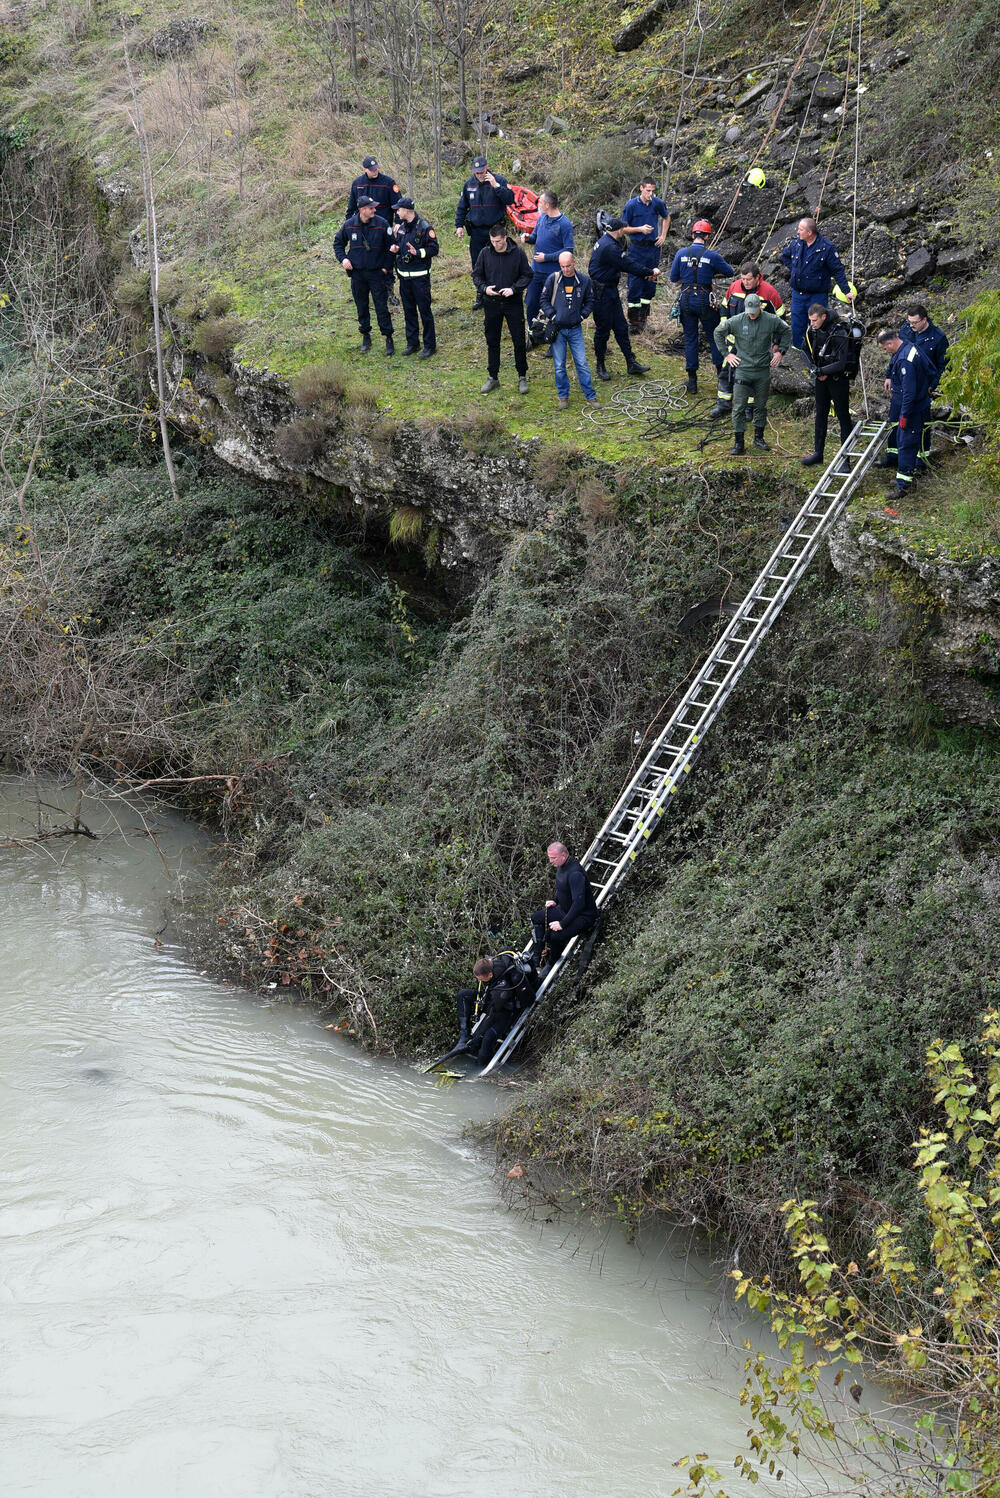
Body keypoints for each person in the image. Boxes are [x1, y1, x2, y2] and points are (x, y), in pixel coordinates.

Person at [712, 292, 791, 454]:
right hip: (743, 370)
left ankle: (759, 438)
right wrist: (727, 354)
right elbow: (718, 333)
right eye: (750, 310)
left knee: (760, 406)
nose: (752, 314)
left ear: (760, 307)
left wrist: (780, 351)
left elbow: (787, 331)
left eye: (755, 310)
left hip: (762, 371)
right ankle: (739, 443)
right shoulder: (737, 321)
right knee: (739, 407)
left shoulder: (770, 320)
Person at [710, 262, 784, 419]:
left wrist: (777, 342)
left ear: (758, 278)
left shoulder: (769, 292)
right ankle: (723, 404)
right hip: (733, 341)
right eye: (743, 278)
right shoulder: (734, 287)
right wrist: (724, 328)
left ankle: (749, 408)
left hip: (755, 344)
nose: (745, 282)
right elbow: (724, 307)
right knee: (727, 371)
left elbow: (780, 317)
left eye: (749, 279)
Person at [668, 219, 735, 395]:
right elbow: (729, 271)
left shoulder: (681, 253)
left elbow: (673, 277)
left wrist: (688, 278)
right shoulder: (712, 255)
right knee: (714, 337)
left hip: (687, 298)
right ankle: (721, 378)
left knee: (690, 338)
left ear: (692, 235)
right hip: (705, 298)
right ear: (706, 236)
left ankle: (692, 382)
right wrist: (709, 272)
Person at [587, 217, 655, 381]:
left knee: (621, 327)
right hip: (601, 293)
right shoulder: (610, 247)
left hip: (610, 290)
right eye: (623, 229)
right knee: (603, 330)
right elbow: (628, 265)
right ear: (619, 230)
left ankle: (631, 363)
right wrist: (649, 272)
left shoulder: (606, 240)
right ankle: (600, 365)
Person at [472, 222, 532, 394]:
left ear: (505, 238)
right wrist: (484, 289)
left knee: (519, 340)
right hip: (491, 303)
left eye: (498, 241)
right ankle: (493, 377)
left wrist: (513, 289)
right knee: (492, 340)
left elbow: (527, 274)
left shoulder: (518, 253)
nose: (495, 244)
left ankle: (522, 376)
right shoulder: (485, 253)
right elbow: (476, 275)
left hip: (513, 303)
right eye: (492, 241)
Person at [333, 196, 394, 355]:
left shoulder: (382, 224)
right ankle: (366, 336)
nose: (374, 210)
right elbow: (338, 243)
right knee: (361, 306)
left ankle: (388, 337)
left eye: (374, 207)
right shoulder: (349, 225)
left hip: (377, 273)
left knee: (381, 306)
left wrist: (386, 269)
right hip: (358, 275)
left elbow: (391, 248)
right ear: (362, 210)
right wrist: (344, 259)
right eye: (371, 208)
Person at [781, 216, 854, 349]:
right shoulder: (796, 243)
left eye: (800, 229)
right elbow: (784, 255)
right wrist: (795, 271)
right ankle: (799, 353)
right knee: (797, 324)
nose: (797, 232)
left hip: (817, 295)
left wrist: (846, 291)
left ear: (809, 233)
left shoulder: (827, 248)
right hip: (798, 294)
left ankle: (817, 354)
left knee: (818, 326)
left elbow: (837, 270)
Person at [876, 327, 933, 497]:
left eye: (885, 348)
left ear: (891, 343)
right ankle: (919, 466)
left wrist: (904, 415)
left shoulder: (905, 362)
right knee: (922, 436)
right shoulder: (908, 346)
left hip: (912, 408)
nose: (885, 352)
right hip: (921, 403)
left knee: (906, 443)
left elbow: (909, 392)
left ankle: (903, 485)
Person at [540, 250, 598, 410]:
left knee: (582, 364)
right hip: (557, 330)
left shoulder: (584, 281)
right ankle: (563, 396)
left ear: (574, 263)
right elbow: (543, 300)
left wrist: (582, 316)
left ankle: (590, 396)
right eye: (562, 266)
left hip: (575, 329)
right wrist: (552, 316)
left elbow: (590, 301)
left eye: (568, 266)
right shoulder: (553, 279)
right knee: (559, 365)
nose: (566, 270)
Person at [455, 952, 537, 1064]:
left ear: (490, 975)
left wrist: (476, 1038)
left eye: (482, 980)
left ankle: (478, 1069)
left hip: (505, 1012)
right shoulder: (491, 965)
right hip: (491, 1001)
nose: (480, 982)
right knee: (463, 994)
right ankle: (464, 1035)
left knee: (487, 1039)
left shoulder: (502, 989)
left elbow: (491, 1015)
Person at [800, 302, 854, 470]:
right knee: (820, 414)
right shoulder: (813, 331)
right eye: (810, 320)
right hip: (820, 378)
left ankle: (846, 459)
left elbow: (841, 362)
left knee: (843, 417)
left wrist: (822, 371)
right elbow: (804, 351)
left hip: (838, 379)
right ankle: (818, 453)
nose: (812, 324)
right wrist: (813, 369)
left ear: (823, 317)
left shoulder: (839, 332)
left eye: (815, 320)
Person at [456, 156, 515, 306]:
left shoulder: (499, 180)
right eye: (477, 173)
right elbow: (462, 207)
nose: (480, 175)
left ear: (487, 168)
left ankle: (499, 292)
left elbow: (510, 199)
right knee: (477, 264)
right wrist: (459, 226)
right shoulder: (469, 184)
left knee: (497, 262)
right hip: (476, 231)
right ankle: (481, 293)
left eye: (482, 172)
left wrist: (496, 185)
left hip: (495, 230)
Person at [530, 842, 598, 971]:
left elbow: (579, 904)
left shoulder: (574, 873)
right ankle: (536, 956)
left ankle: (550, 964)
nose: (551, 861)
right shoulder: (561, 866)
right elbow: (562, 888)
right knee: (536, 918)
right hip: (564, 909)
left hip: (583, 916)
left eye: (553, 858)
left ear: (563, 855)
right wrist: (555, 900)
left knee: (556, 936)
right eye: (549, 857)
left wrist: (562, 924)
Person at [347, 156, 402, 305]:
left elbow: (398, 205)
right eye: (371, 169)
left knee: (387, 258)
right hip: (362, 229)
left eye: (376, 168)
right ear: (364, 169)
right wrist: (348, 226)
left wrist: (398, 222)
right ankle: (365, 289)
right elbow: (351, 208)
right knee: (364, 260)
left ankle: (389, 290)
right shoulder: (357, 184)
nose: (374, 171)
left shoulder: (388, 183)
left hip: (382, 229)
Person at [620, 177, 672, 333]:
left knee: (650, 284)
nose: (650, 193)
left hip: (653, 250)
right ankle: (633, 323)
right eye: (648, 190)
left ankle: (643, 321)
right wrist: (640, 229)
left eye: (653, 190)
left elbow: (667, 217)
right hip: (636, 249)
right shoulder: (631, 205)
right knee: (635, 284)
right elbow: (623, 228)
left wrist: (663, 235)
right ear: (641, 188)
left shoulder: (657, 203)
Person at [390, 196, 438, 358]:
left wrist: (418, 253)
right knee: (408, 311)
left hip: (420, 278)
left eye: (399, 209)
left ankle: (430, 346)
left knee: (424, 312)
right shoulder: (402, 227)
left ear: (407, 210)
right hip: (404, 278)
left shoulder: (424, 227)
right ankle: (413, 343)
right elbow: (400, 244)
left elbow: (434, 249)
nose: (397, 212)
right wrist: (397, 248)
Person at [522, 190, 574, 332]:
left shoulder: (564, 224)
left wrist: (547, 257)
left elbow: (569, 250)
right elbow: (534, 237)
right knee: (531, 302)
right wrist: (528, 238)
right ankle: (534, 334)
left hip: (553, 273)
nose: (538, 205)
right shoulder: (542, 218)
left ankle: (553, 337)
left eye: (540, 202)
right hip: (536, 271)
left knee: (553, 305)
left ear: (548, 204)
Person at [900, 304, 948, 392]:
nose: (911, 325)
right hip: (904, 381)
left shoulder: (938, 337)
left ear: (924, 320)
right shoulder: (905, 330)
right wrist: (889, 376)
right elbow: (897, 353)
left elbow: (945, 366)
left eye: (914, 322)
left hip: (924, 384)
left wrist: (932, 386)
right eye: (910, 322)